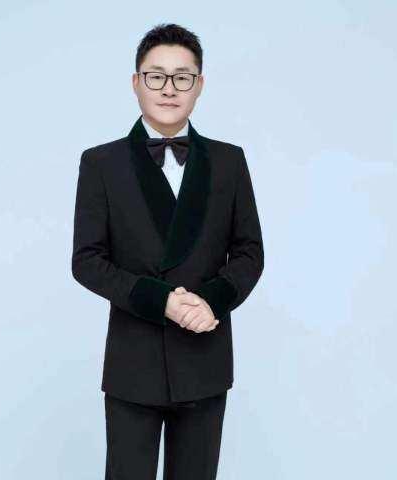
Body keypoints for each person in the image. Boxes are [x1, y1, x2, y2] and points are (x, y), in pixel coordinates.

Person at [71, 23, 264, 479]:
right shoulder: (102, 162)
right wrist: (161, 301)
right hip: (133, 362)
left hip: (204, 356)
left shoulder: (229, 161)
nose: (169, 88)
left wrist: (210, 301)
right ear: (136, 82)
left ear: (200, 84)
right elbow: (87, 261)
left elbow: (249, 251)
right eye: (156, 76)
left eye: (182, 77)